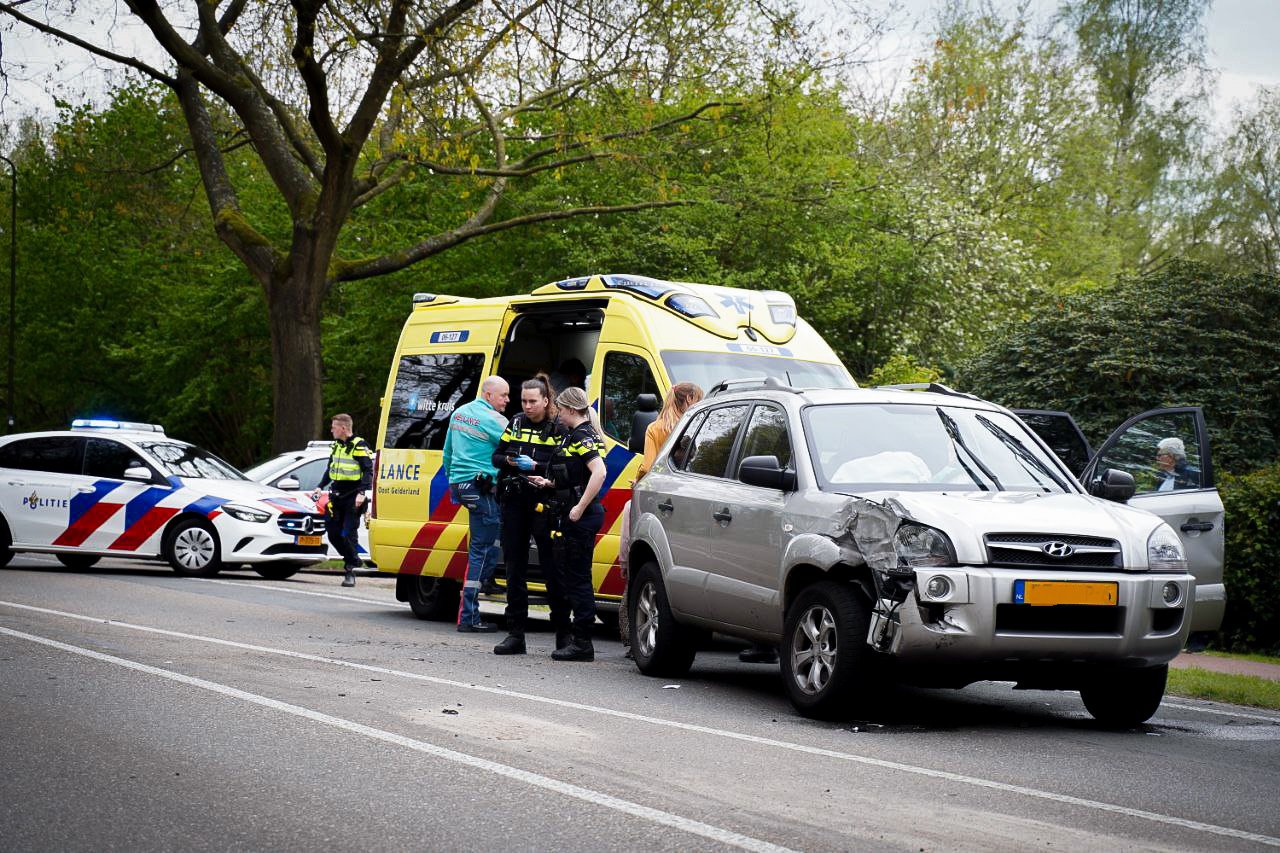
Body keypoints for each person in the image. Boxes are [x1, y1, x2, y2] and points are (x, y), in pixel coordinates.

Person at [525, 385, 607, 661]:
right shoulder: (579, 434)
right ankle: (579, 640)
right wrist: (549, 483)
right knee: (574, 578)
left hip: (581, 516)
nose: (558, 414)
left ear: (571, 409)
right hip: (575, 512)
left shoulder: (581, 435)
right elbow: (576, 475)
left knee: (578, 580)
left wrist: (579, 507)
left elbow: (599, 472)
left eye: (560, 409)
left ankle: (582, 643)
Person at [621, 382, 703, 655]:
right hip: (695, 504)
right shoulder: (698, 427)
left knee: (648, 569)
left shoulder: (656, 429)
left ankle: (639, 636)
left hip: (661, 503)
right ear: (689, 400)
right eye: (698, 398)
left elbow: (648, 465)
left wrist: (638, 481)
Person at [490, 374, 569, 655]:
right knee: (514, 567)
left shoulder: (558, 427)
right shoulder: (516, 423)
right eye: (523, 401)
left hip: (544, 504)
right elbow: (496, 457)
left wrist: (536, 465)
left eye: (532, 401)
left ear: (546, 401)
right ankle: (515, 634)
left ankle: (563, 635)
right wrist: (512, 462)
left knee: (552, 568)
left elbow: (564, 465)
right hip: (515, 502)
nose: (527, 406)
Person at [442, 376, 510, 632]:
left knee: (490, 539)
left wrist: (454, 483)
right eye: (503, 395)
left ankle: (485, 582)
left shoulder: (459, 413)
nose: (507, 400)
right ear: (488, 395)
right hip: (480, 488)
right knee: (482, 549)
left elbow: (447, 453)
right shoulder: (495, 420)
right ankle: (469, 617)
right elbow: (517, 449)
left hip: (462, 486)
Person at [312, 414, 373, 588]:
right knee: (332, 533)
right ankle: (354, 558)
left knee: (348, 533)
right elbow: (330, 469)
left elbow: (368, 471)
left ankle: (350, 571)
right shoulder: (336, 446)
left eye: (334, 427)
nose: (331, 430)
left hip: (353, 496)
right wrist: (320, 486)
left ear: (343, 428)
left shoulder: (359, 445)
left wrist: (362, 493)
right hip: (337, 495)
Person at [636, 382, 704, 479]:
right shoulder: (696, 425)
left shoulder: (654, 428)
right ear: (689, 398)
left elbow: (647, 468)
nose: (700, 405)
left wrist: (637, 479)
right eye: (699, 400)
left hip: (663, 483)